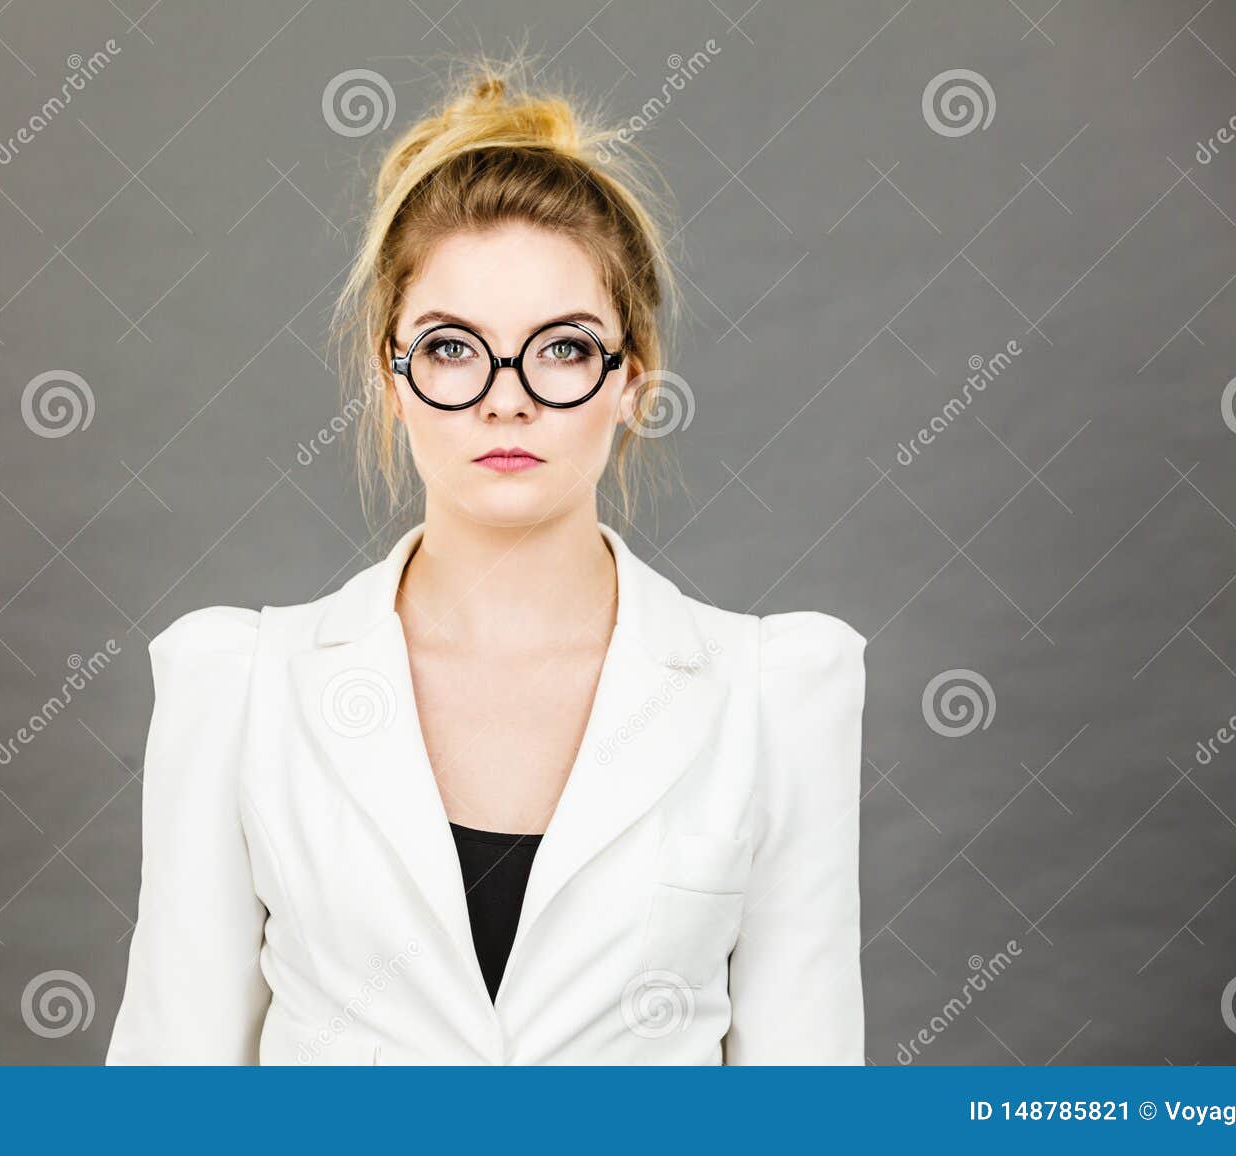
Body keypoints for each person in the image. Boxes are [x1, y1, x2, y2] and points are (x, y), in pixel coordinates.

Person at [105, 58, 866, 1066]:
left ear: (631, 381)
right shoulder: (239, 685)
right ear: (391, 378)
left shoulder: (774, 693)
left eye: (560, 347)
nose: (506, 398)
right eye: (454, 346)